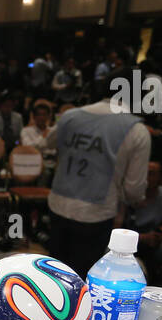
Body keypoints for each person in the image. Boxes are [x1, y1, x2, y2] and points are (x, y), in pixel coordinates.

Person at [46, 77, 151, 277]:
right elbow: (133, 189)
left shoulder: (70, 115)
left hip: (57, 205)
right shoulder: (137, 130)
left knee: (54, 273)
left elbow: (49, 143)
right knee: (82, 278)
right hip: (96, 215)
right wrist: (135, 201)